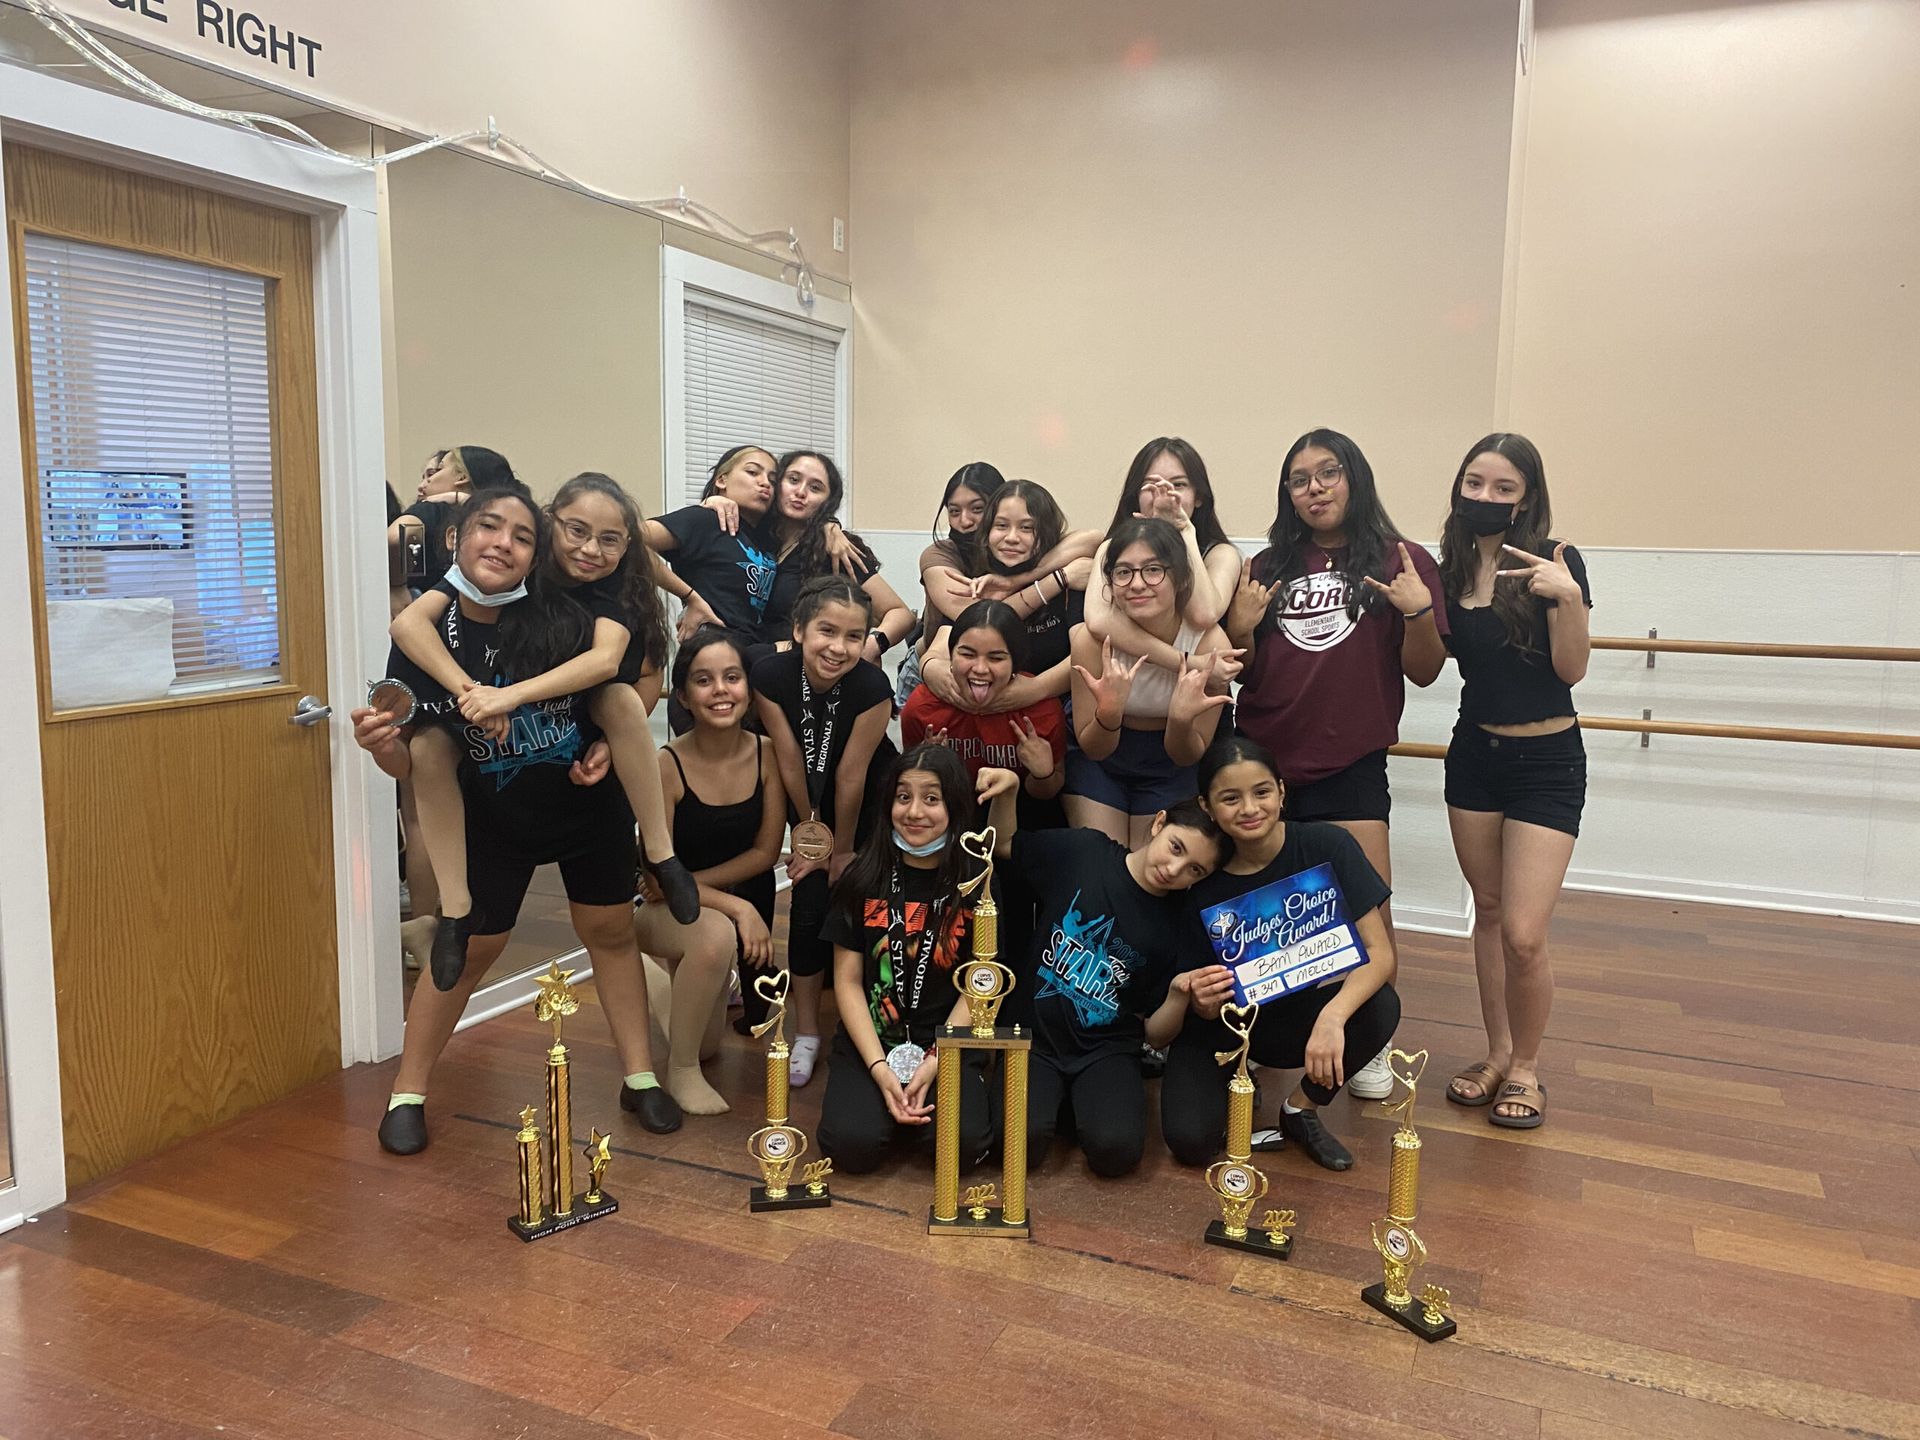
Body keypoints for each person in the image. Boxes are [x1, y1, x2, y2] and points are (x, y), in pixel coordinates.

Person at [354, 487, 681, 1155]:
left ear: (537, 554)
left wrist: (602, 743)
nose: (502, 543)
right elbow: (412, 763)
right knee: (470, 950)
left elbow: (621, 681)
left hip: (586, 807)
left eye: (521, 536)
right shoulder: (428, 630)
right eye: (488, 528)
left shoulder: (560, 612)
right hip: (496, 815)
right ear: (457, 538)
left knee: (610, 931)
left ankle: (640, 1077)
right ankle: (407, 1093)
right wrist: (383, 745)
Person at [390, 474, 700, 984]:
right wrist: (474, 694)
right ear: (551, 523)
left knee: (620, 698)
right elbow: (406, 625)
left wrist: (508, 698)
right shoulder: (510, 570)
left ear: (627, 547)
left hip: (569, 735)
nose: (590, 550)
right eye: (575, 530)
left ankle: (662, 854)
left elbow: (607, 662)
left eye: (610, 540)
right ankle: (454, 912)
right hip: (496, 752)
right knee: (426, 747)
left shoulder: (612, 592)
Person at [1225, 428, 1445, 1098]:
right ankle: (1262, 1035)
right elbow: (1243, 671)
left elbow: (1427, 671)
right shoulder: (1263, 567)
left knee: (1367, 909)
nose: (1314, 488)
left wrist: (1419, 612)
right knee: (1273, 913)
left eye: (1328, 473)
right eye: (1300, 478)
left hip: (1351, 759)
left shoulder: (1399, 560)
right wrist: (1238, 625)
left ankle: (1369, 1041)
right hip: (1269, 761)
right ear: (1286, 493)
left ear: (1355, 479)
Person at [1436, 433, 1591, 1130]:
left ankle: (1528, 1066)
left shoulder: (1555, 559)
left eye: (1505, 488)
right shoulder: (1450, 565)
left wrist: (1570, 601)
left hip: (1547, 764)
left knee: (1526, 933)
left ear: (1528, 496)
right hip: (1474, 757)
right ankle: (1497, 1053)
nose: (1488, 498)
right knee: (1489, 911)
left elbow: (1570, 672)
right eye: (1477, 483)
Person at [1162, 737, 1402, 1171]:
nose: (1250, 809)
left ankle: (1299, 1109)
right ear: (1208, 806)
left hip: (1299, 1017)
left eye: (1262, 792)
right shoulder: (1201, 881)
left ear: (1282, 791)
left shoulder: (1329, 846)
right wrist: (1198, 1001)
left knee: (1381, 1005)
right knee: (1191, 1142)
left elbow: (1379, 955)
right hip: (1226, 1027)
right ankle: (1237, 1084)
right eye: (1230, 798)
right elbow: (1188, 989)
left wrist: (1333, 1018)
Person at [990, 793, 1229, 1177]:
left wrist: (1177, 996)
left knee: (1116, 1153)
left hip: (1106, 1049)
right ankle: (1059, 1105)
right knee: (1016, 1146)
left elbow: (1154, 1034)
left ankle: (1078, 1105)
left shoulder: (1177, 924)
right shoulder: (1086, 852)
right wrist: (1008, 790)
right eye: (1175, 847)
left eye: (1194, 870)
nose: (1173, 868)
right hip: (1031, 1039)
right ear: (1159, 823)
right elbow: (1003, 845)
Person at [816, 747, 1020, 1172]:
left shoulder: (975, 883)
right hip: (872, 1043)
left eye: (932, 798)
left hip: (948, 1043)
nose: (914, 812)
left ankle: (921, 1110)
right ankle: (889, 1109)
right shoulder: (862, 878)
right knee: (850, 1148)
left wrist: (935, 1059)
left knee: (962, 1150)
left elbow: (981, 986)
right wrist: (877, 1068)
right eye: (903, 797)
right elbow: (847, 982)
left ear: (955, 806)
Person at [632, 627, 787, 1115]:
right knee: (717, 933)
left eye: (732, 677)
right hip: (656, 912)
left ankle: (659, 992)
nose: (721, 690)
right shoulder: (665, 764)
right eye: (704, 680)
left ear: (748, 687)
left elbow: (765, 853)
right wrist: (739, 906)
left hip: (695, 908)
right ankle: (680, 1075)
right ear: (682, 696)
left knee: (709, 1045)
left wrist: (707, 894)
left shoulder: (767, 755)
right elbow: (657, 880)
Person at [751, 575, 900, 1086]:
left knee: (864, 895)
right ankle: (808, 1030)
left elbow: (853, 775)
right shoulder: (770, 675)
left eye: (854, 637)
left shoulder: (872, 685)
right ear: (799, 630)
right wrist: (811, 836)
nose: (838, 648)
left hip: (870, 806)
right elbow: (791, 759)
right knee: (810, 900)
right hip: (808, 803)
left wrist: (844, 850)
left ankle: (889, 1017)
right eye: (826, 631)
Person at [1064, 517, 1236, 844]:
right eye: (1123, 572)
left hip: (1173, 764)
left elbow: (1187, 755)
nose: (1137, 584)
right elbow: (1093, 747)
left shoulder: (1210, 644)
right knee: (1104, 860)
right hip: (1100, 759)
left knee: (1152, 863)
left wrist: (1182, 719)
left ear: (1181, 579)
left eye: (1153, 570)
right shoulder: (1091, 642)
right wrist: (1110, 713)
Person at [1083, 437, 1244, 670]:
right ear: (1135, 497)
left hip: (1201, 683)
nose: (1165, 495)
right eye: (1151, 486)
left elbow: (1203, 615)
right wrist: (1187, 663)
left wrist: (1183, 531)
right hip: (1133, 679)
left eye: (1178, 485)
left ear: (1199, 497)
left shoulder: (1220, 554)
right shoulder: (1111, 549)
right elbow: (1098, 621)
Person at [644, 444, 780, 644]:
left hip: (754, 657)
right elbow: (628, 540)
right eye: (752, 472)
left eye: (773, 480)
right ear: (722, 479)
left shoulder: (769, 539)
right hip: (712, 654)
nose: (765, 483)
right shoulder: (707, 519)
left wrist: (831, 526)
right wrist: (690, 597)